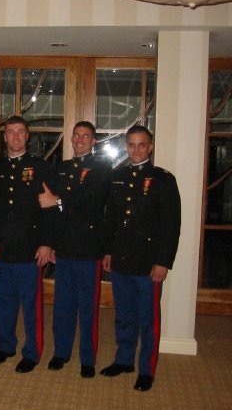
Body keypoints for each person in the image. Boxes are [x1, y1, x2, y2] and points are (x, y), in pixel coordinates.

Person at [100, 125, 181, 392]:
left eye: (142, 144)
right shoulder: (119, 176)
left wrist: (163, 261)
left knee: (148, 319)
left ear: (151, 146)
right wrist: (108, 251)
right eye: (132, 145)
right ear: (126, 146)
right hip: (122, 259)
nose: (136, 150)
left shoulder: (163, 179)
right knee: (123, 315)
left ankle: (147, 369)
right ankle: (124, 360)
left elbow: (171, 225)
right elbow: (111, 219)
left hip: (148, 263)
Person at [38, 121, 112, 378]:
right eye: (77, 135)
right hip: (65, 248)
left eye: (86, 136)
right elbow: (52, 212)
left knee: (88, 307)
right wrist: (52, 243)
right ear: (71, 138)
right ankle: (61, 352)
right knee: (63, 306)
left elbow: (92, 202)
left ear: (94, 141)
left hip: (89, 250)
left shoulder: (102, 169)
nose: (80, 140)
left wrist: (58, 200)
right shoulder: (62, 169)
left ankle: (88, 359)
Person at [0, 115, 58, 373]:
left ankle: (32, 351)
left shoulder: (41, 168)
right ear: (4, 136)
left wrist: (47, 243)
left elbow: (50, 209)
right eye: (10, 132)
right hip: (3, 249)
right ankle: (5, 345)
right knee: (2, 301)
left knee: (31, 304)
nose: (16, 137)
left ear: (27, 136)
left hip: (31, 248)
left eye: (21, 132)